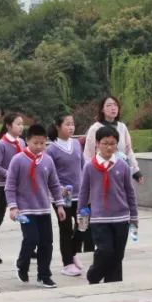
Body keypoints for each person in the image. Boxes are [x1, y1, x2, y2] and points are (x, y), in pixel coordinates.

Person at [6, 124, 66, 288]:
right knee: (31, 239)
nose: (39, 147)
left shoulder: (48, 160)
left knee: (47, 243)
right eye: (35, 143)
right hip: (24, 210)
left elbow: (54, 184)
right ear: (27, 141)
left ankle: (44, 275)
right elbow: (10, 186)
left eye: (42, 143)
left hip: (44, 209)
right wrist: (13, 207)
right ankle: (21, 264)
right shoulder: (17, 160)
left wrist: (60, 205)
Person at [78, 125, 138, 284]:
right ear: (97, 144)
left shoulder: (122, 166)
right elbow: (84, 192)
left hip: (121, 218)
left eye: (113, 143)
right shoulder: (90, 166)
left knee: (118, 256)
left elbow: (130, 192)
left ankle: (114, 286)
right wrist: (81, 217)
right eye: (105, 143)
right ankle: (94, 275)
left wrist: (134, 217)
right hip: (99, 219)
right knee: (105, 251)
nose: (109, 147)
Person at [49, 114, 86, 277]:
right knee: (66, 228)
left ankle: (73, 251)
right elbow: (50, 175)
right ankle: (67, 263)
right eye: (67, 124)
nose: (71, 127)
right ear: (58, 127)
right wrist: (59, 190)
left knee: (83, 225)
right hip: (63, 195)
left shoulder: (77, 144)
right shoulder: (51, 149)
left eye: (73, 124)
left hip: (81, 193)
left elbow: (83, 166)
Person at [0, 113, 25, 264]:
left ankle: (30, 246)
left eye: (22, 124)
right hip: (4, 187)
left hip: (20, 186)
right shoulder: (1, 144)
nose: (21, 127)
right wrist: (11, 174)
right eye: (18, 124)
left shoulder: (21, 142)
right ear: (9, 126)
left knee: (24, 216)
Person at [83, 96, 143, 183]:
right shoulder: (94, 129)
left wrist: (136, 170)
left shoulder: (122, 127)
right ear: (102, 109)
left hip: (121, 172)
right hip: (101, 173)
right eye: (109, 105)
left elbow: (128, 150)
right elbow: (88, 154)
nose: (113, 108)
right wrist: (89, 175)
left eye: (115, 105)